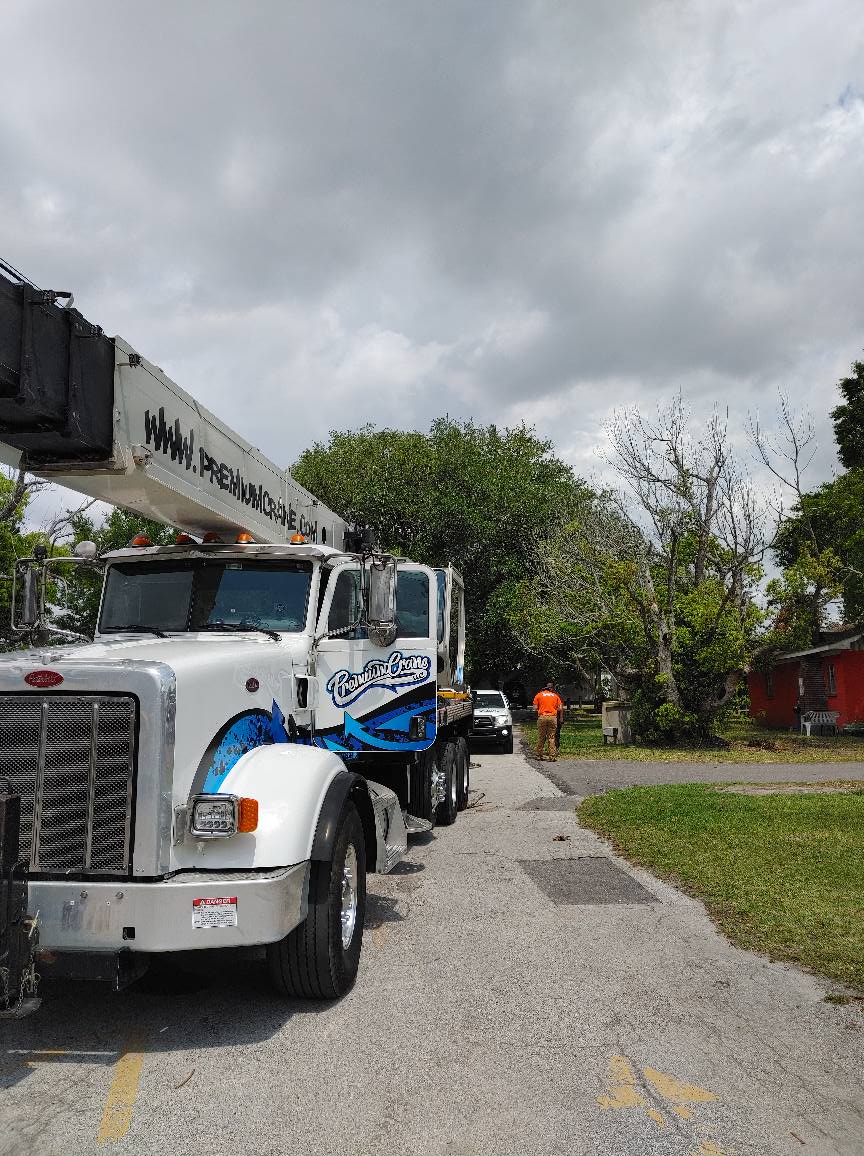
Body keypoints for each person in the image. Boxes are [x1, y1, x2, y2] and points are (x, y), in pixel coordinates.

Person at [533, 681, 564, 761]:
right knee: (552, 737)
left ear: (543, 689)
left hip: (542, 717)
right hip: (553, 718)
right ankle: (552, 756)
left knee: (541, 737)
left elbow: (535, 708)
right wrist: (552, 709)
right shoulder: (555, 696)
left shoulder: (538, 695)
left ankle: (539, 755)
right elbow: (560, 708)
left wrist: (542, 708)